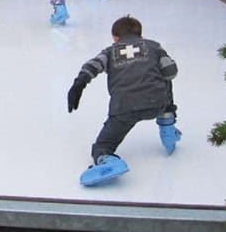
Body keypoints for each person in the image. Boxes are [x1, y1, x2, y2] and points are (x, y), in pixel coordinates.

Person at [67, 15, 180, 186]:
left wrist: (79, 85)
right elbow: (171, 72)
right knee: (165, 78)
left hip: (124, 109)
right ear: (140, 36)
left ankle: (108, 160)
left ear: (115, 38)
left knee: (102, 146)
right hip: (157, 103)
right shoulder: (154, 47)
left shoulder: (110, 52)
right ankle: (167, 123)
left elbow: (93, 65)